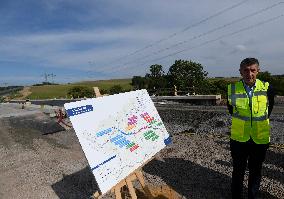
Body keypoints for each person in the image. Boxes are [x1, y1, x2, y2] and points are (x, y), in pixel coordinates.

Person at [227, 58, 274, 199]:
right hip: (239, 139)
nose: (249, 73)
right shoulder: (232, 89)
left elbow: (269, 109)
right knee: (238, 171)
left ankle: (252, 196)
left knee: (256, 171)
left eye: (253, 70)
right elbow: (231, 110)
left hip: (259, 138)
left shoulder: (267, 88)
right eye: (246, 70)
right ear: (240, 72)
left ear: (258, 71)